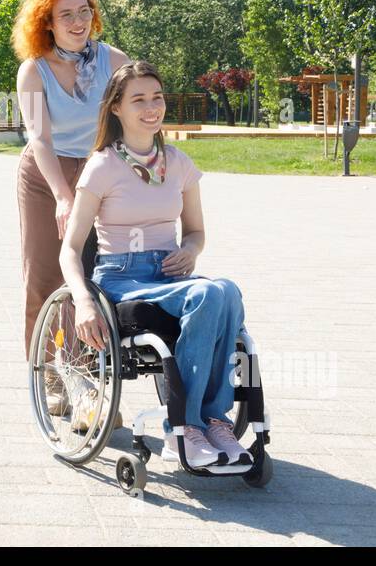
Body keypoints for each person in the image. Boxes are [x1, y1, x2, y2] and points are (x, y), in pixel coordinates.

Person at [57, 60, 251, 469]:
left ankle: (214, 421)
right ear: (116, 108)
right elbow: (70, 249)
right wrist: (84, 301)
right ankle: (184, 426)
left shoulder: (179, 163)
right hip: (122, 278)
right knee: (208, 292)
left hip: (170, 273)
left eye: (157, 97)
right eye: (139, 99)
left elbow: (196, 231)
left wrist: (192, 251)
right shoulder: (102, 166)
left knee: (225, 289)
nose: (151, 107)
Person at [14, 0, 129, 415]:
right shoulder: (34, 70)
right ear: (48, 21)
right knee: (45, 278)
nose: (78, 22)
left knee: (91, 276)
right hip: (47, 176)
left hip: (99, 170)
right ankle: (48, 378)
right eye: (67, 15)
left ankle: (86, 379)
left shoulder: (113, 61)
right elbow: (39, 140)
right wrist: (64, 196)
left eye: (84, 11)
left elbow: (137, 112)